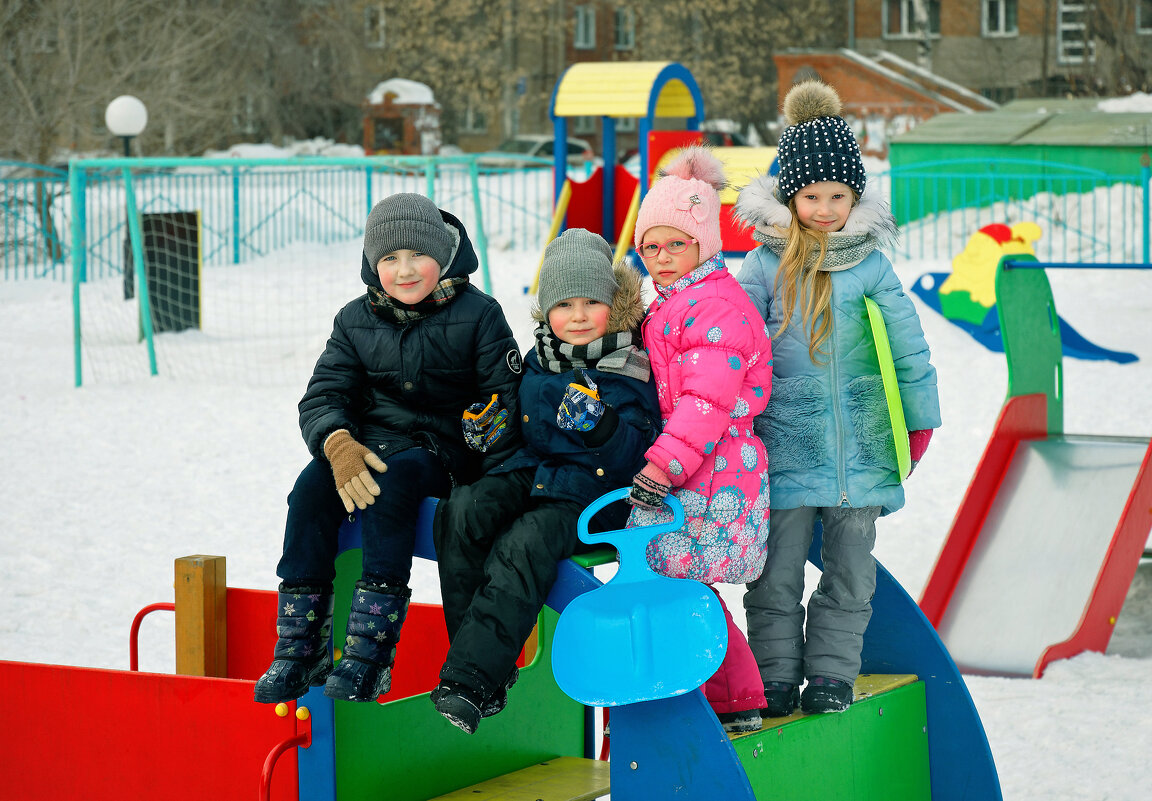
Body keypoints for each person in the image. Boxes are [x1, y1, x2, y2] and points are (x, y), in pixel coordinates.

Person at [253, 193, 523, 705]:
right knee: (309, 491)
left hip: (441, 450)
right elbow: (325, 392)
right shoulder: (355, 320)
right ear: (372, 265)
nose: (404, 271)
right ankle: (299, 646)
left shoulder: (480, 314)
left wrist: (483, 427)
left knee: (389, 488)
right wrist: (336, 441)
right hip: (368, 444)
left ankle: (369, 655)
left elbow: (502, 394)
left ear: (442, 255)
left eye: (417, 255)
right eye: (388, 259)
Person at [734, 80, 941, 715]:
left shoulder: (873, 266)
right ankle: (772, 676)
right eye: (810, 196)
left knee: (852, 571)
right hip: (785, 442)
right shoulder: (765, 266)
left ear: (855, 196)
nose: (824, 209)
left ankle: (830, 674)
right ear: (789, 196)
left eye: (837, 195)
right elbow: (736, 345)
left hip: (863, 440)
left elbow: (909, 347)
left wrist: (919, 420)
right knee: (776, 571)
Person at [430, 228, 660, 734]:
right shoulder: (538, 360)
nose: (577, 316)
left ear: (614, 303)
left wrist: (601, 424)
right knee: (462, 509)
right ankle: (485, 667)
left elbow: (634, 456)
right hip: (531, 476)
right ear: (545, 311)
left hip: (591, 496)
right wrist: (488, 433)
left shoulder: (629, 366)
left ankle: (468, 681)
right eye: (564, 304)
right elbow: (520, 432)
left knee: (523, 544)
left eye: (591, 302)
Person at [627, 146, 773, 734]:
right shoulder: (676, 302)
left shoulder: (712, 305)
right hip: (697, 465)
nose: (662, 257)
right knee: (679, 584)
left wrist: (661, 466)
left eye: (676, 244)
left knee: (685, 588)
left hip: (711, 470)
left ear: (705, 244)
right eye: (650, 246)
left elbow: (705, 401)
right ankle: (715, 695)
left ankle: (735, 696)